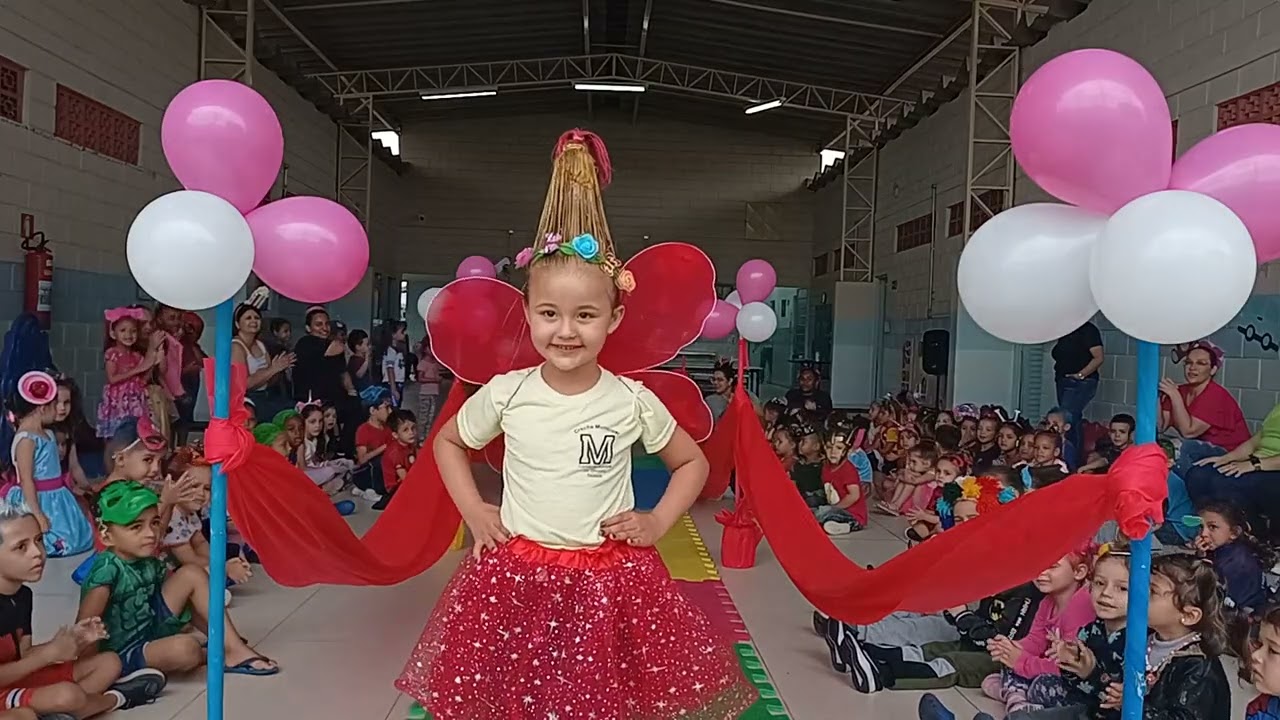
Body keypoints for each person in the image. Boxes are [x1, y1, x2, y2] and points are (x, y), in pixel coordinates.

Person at [393, 128, 755, 719]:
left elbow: (691, 461)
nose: (566, 330)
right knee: (518, 697)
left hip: (609, 582)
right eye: (549, 314)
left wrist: (660, 517)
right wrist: (475, 511)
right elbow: (450, 442)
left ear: (613, 319)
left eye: (585, 315)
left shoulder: (629, 399)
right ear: (528, 315)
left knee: (600, 700)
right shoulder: (508, 394)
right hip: (520, 575)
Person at [77, 481, 278, 677]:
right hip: (123, 651)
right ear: (106, 536)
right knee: (186, 650)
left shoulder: (145, 559)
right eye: (136, 527)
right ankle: (218, 648)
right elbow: (85, 627)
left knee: (191, 574)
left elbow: (184, 599)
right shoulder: (106, 571)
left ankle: (232, 647)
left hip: (148, 628)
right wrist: (96, 671)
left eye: (154, 523)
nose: (150, 534)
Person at [0, 501, 165, 716]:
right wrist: (48, 655)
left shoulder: (22, 595)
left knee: (108, 663)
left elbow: (23, 655)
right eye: (21, 547)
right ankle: (113, 699)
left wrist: (73, 640)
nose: (38, 553)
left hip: (14, 681)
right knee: (63, 698)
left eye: (39, 540)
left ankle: (62, 711)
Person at [5, 372, 93, 557]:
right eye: (55, 405)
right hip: (38, 499)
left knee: (77, 539)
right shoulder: (26, 439)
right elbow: (27, 479)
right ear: (42, 407)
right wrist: (37, 513)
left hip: (56, 498)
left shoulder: (50, 434)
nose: (59, 409)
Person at [1161, 340, 1251, 473]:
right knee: (1160, 446)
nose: (1192, 368)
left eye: (1201, 363)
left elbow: (1188, 431)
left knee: (1182, 448)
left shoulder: (1216, 395)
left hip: (1230, 455)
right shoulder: (1179, 391)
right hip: (1201, 450)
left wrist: (1174, 396)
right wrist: (1156, 396)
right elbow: (1160, 426)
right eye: (1188, 363)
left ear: (1213, 370)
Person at [1191, 501, 1269, 614]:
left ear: (1234, 533)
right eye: (1201, 527)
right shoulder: (1222, 549)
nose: (1203, 533)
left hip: (1240, 613)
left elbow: (1210, 593)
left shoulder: (1235, 563)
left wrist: (1201, 562)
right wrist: (1201, 555)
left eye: (1212, 527)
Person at [95, 308, 158, 440]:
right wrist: (139, 369)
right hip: (117, 402)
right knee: (115, 436)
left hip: (135, 402)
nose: (128, 334)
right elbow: (112, 378)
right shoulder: (112, 353)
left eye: (133, 331)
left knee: (134, 435)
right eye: (123, 330)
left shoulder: (137, 356)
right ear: (113, 334)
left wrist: (152, 362)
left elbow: (143, 380)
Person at [231, 301, 294, 421]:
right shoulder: (236, 347)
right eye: (248, 318)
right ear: (237, 324)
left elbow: (269, 378)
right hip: (247, 400)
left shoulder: (260, 344)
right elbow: (243, 384)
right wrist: (272, 370)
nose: (254, 321)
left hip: (266, 395)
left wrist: (280, 368)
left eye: (257, 318)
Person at [1052, 321, 1103, 460]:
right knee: (1071, 419)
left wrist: (1081, 375)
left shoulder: (1088, 330)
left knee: (1067, 420)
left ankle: (1070, 459)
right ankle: (1071, 456)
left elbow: (1099, 357)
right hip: (1064, 379)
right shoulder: (1066, 329)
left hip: (1079, 381)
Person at [815, 426, 866, 536]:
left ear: (846, 450)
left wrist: (834, 508)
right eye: (829, 447)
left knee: (822, 513)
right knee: (812, 504)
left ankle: (850, 524)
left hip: (852, 513)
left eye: (839, 448)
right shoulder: (826, 467)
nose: (833, 452)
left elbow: (854, 495)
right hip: (836, 507)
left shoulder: (848, 469)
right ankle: (832, 523)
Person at [374, 410, 416, 511]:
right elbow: (404, 478)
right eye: (405, 430)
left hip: (407, 481)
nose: (411, 432)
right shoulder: (395, 452)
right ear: (395, 435)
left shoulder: (410, 445)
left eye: (413, 428)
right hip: (395, 488)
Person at [375, 321, 408, 407]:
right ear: (393, 335)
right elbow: (390, 368)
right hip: (392, 383)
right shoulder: (391, 351)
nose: (404, 334)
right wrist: (393, 388)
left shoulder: (398, 350)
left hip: (399, 382)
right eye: (402, 332)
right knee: (393, 407)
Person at [415, 337, 444, 438]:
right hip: (425, 393)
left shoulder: (436, 363)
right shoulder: (423, 363)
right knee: (423, 417)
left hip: (434, 393)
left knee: (431, 416)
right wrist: (435, 380)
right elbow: (420, 378)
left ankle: (427, 437)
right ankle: (420, 437)